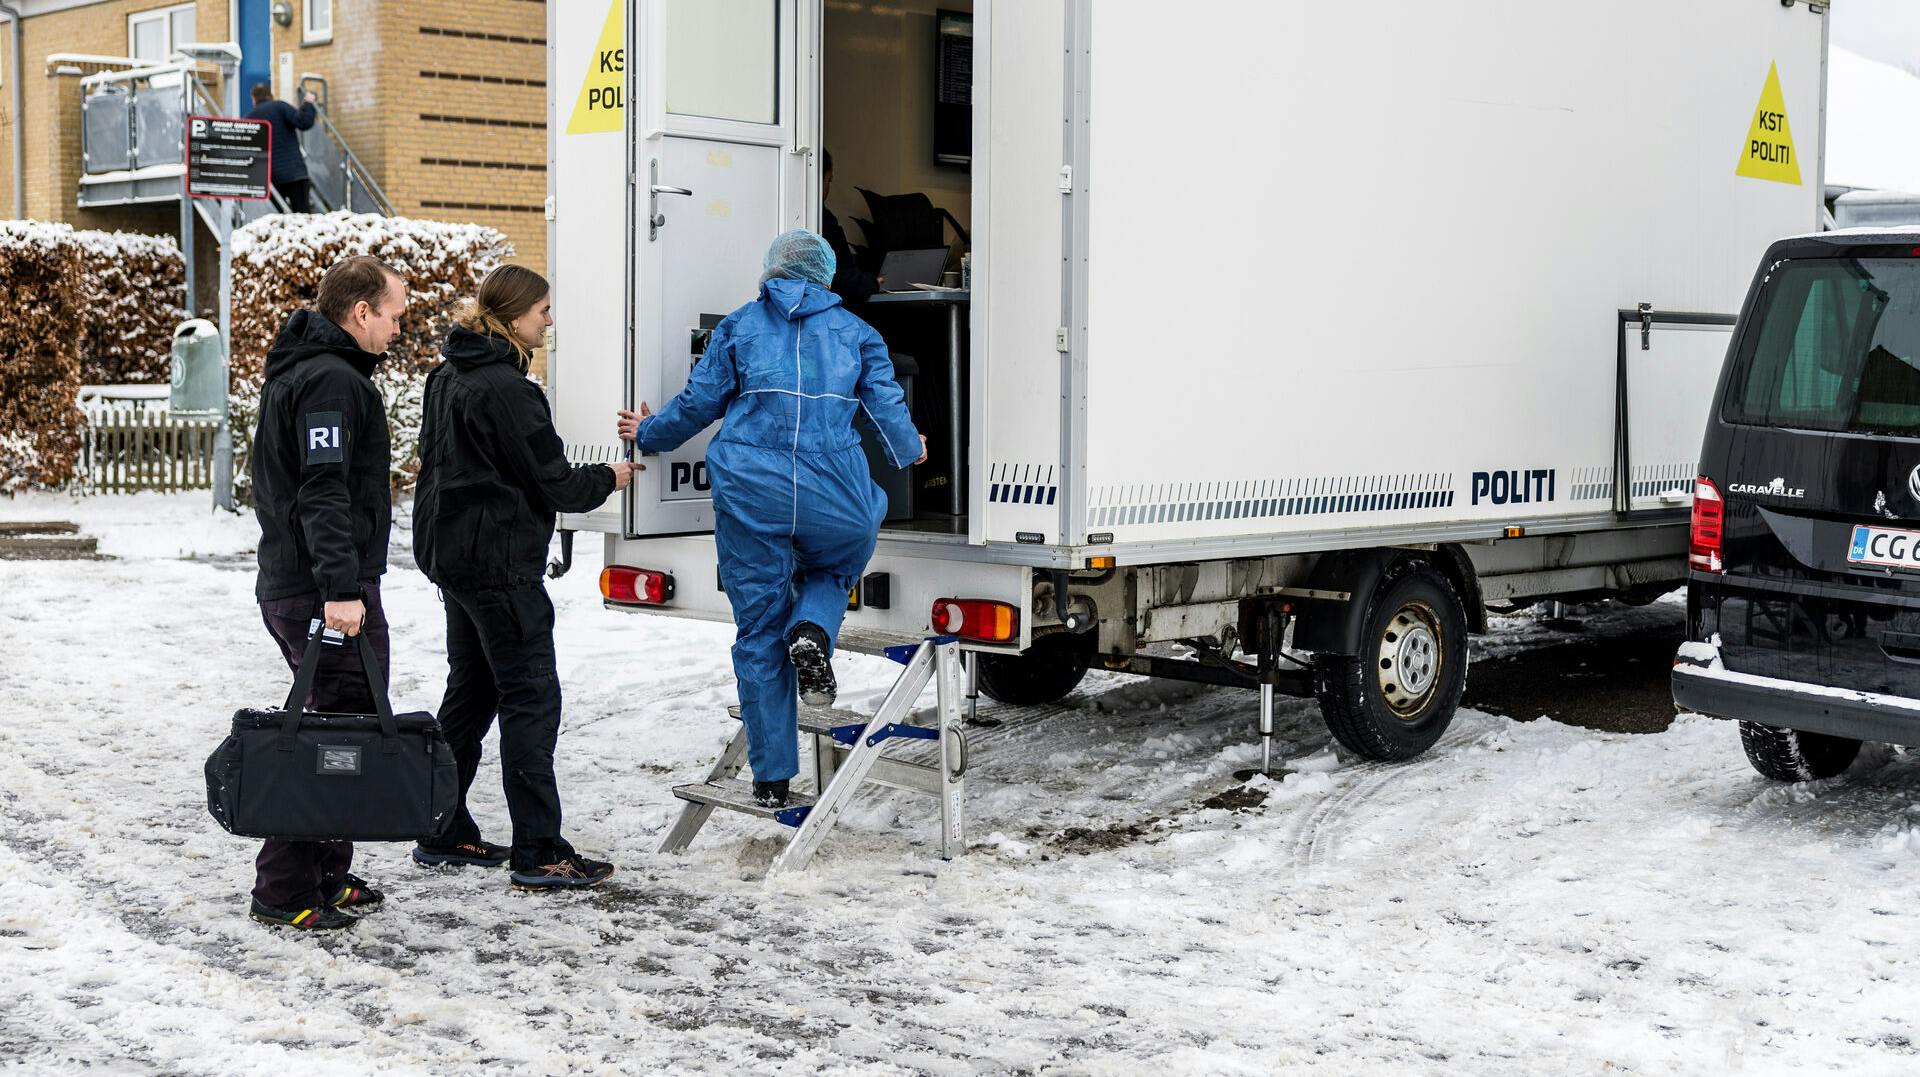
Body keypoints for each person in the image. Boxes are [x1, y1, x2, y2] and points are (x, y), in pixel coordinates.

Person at [617, 230, 926, 808]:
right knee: (835, 569)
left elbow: (698, 403)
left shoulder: (738, 326)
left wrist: (649, 434)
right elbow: (887, 405)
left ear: (772, 271)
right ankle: (812, 629)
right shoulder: (858, 333)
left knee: (758, 630)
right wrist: (910, 449)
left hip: (749, 490)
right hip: (832, 492)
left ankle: (772, 779)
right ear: (827, 275)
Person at [413, 264, 640, 891]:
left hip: (454, 558)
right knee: (531, 700)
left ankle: (441, 826)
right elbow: (553, 480)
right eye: (543, 311)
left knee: (473, 692)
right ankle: (539, 850)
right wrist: (610, 478)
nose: (550, 321)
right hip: (497, 568)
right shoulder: (507, 390)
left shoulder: (448, 374)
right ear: (515, 318)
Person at [248, 255, 409, 931]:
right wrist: (341, 591)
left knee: (342, 725)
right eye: (395, 315)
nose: (400, 330)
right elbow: (323, 491)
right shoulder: (330, 382)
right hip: (319, 590)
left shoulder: (320, 372)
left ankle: (326, 875)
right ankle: (284, 888)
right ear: (361, 311)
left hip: (309, 583)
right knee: (336, 734)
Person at [821, 151, 882, 304]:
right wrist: (871, 283)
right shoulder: (823, 221)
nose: (828, 187)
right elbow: (838, 277)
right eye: (829, 180)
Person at [246, 83, 318, 213]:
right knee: (303, 217)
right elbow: (303, 122)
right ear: (270, 95)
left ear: (254, 99)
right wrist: (308, 103)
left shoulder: (249, 118)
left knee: (275, 218)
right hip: (295, 174)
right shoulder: (281, 106)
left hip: (271, 179)